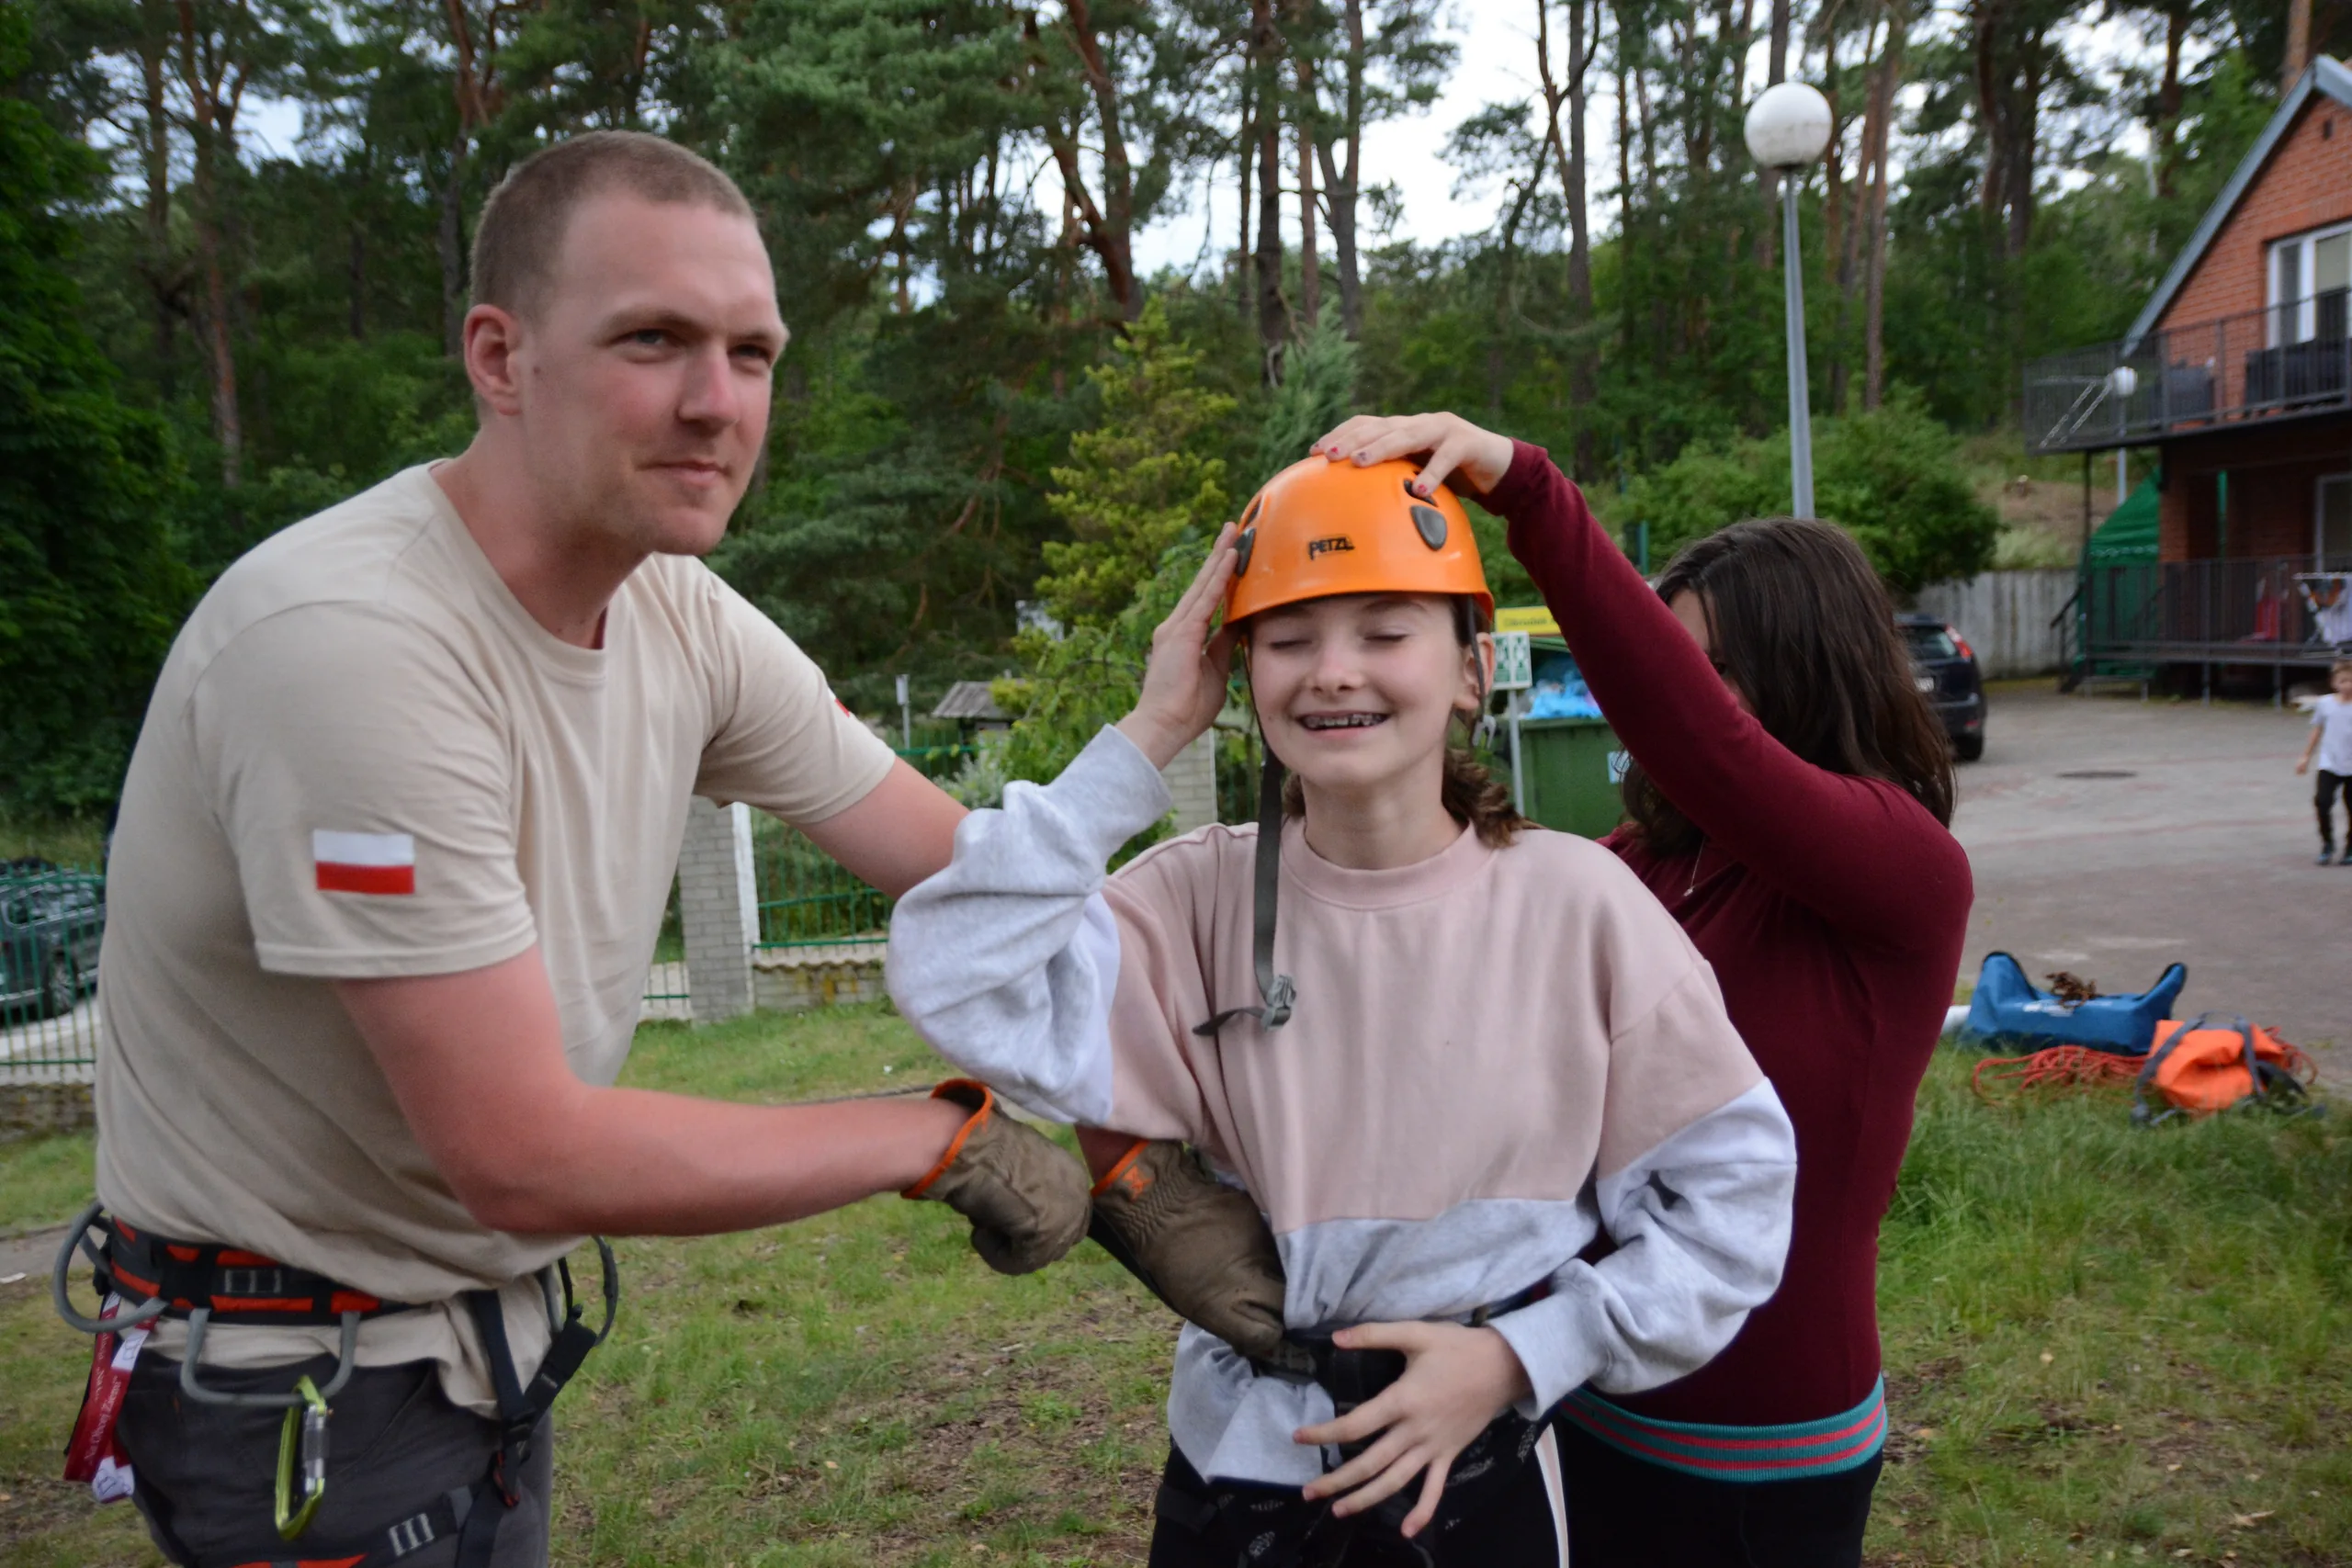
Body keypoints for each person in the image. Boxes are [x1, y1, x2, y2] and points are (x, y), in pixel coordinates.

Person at [63, 131, 1108, 1568]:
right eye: (653, 340)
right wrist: (937, 1137)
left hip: (474, 1349)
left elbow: (963, 862)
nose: (714, 402)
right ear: (500, 358)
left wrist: (1238, 1001)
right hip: (298, 1390)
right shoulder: (352, 648)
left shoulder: (676, 608)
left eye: (752, 353)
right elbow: (521, 1151)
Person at [887, 456, 1799, 1566]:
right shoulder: (1190, 902)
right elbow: (951, 969)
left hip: (1474, 1482)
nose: (1331, 673)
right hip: (1238, 1482)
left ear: (1470, 669)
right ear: (1238, 667)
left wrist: (1524, 1354)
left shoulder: (1579, 906)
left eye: (1383, 630)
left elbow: (1736, 1196)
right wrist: (1151, 729)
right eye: (1287, 638)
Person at [1303, 413, 1973, 1567]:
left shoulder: (1901, 871)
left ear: (1805, 674)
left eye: (1712, 673)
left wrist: (1528, 490)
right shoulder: (1645, 864)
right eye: (1676, 665)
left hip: (1764, 1449)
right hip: (1587, 1389)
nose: (1672, 705)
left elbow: (1704, 743)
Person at [2293, 659, 2352, 865]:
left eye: (2351, 681)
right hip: (2330, 763)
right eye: (2343, 681)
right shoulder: (2325, 704)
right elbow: (2317, 731)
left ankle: (2350, 848)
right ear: (2334, 682)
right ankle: (2327, 843)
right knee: (2323, 801)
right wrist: (2305, 757)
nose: (2347, 685)